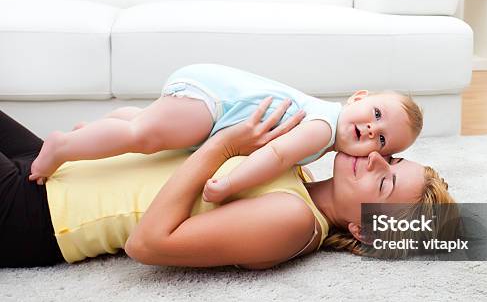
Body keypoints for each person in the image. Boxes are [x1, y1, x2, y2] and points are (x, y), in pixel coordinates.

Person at [0, 101, 454, 269]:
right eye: (390, 157)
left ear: (364, 230)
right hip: (49, 165)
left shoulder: (293, 221)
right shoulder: (298, 167)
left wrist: (223, 147)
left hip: (30, 213)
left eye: (386, 180)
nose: (373, 156)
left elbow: (149, 244)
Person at [28, 64, 423, 206]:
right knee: (143, 136)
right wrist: (228, 185)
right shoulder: (322, 128)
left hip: (214, 108)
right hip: (213, 101)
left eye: (383, 140)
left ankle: (97, 132)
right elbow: (276, 157)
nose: (372, 131)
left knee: (159, 132)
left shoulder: (325, 128)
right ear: (358, 97)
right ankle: (64, 146)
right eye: (375, 114)